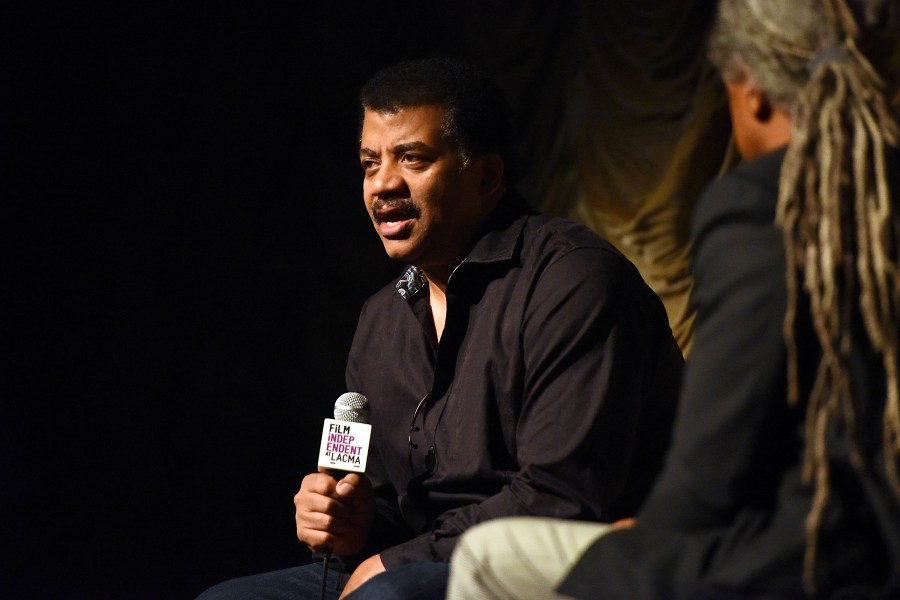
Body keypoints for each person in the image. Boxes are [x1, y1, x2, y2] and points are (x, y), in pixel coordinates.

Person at [447, 0, 900, 598]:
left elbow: (713, 470)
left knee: (487, 557)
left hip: (820, 555)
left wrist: (654, 534)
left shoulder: (765, 207)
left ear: (754, 93)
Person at [196, 57, 684, 600]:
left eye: (413, 159)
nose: (382, 185)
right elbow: (383, 503)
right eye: (368, 163)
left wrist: (396, 561)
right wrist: (348, 519)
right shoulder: (382, 315)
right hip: (409, 567)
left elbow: (561, 497)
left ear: (487, 175)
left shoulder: (573, 279)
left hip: (556, 570)